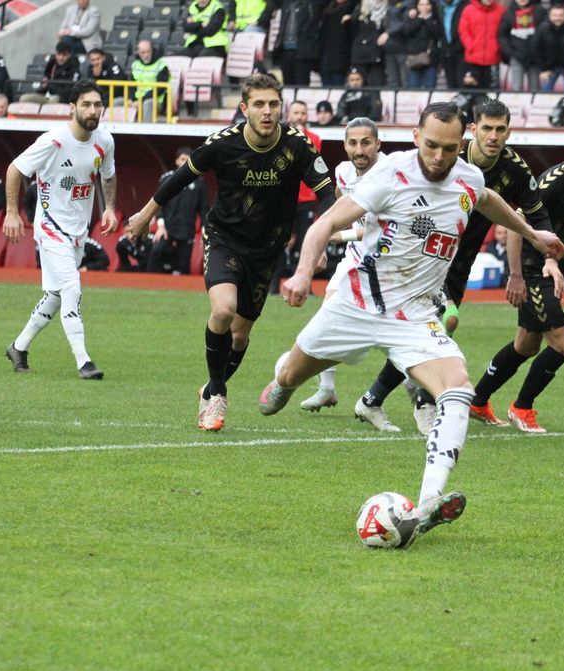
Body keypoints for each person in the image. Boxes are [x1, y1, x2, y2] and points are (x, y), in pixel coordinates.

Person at [258, 102, 564, 543]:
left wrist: (533, 234)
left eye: (449, 149)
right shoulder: (391, 174)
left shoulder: (468, 176)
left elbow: (487, 199)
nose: (439, 157)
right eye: (431, 146)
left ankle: (427, 503)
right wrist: (305, 272)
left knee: (458, 389)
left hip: (416, 315)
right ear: (416, 136)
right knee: (287, 380)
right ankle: (283, 381)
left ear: (461, 143)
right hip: (356, 304)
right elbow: (325, 222)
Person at [124, 74, 335, 432]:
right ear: (244, 108)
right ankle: (217, 395)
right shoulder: (223, 143)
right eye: (259, 104)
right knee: (223, 309)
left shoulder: (297, 145)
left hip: (266, 250)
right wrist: (146, 214)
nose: (267, 111)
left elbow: (327, 194)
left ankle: (210, 387)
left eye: (273, 104)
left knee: (239, 337)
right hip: (225, 239)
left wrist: (321, 242)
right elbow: (181, 177)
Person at [358, 99, 554, 434]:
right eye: (487, 128)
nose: (493, 136)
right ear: (473, 130)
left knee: (428, 329)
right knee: (440, 324)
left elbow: (537, 215)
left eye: (500, 129)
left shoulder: (515, 171)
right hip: (423, 257)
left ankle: (373, 399)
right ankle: (424, 403)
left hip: (459, 263)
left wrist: (548, 257)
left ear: (509, 132)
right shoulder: (448, 157)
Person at [469, 119, 564, 432]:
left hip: (553, 272)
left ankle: (477, 400)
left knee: (525, 346)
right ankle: (522, 407)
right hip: (532, 270)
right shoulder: (556, 181)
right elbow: (516, 225)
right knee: (563, 344)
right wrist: (515, 275)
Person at [3, 80, 117, 379]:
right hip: (50, 226)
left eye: (97, 105)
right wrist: (12, 213)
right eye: (86, 105)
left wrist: (109, 207)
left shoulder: (105, 141)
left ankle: (18, 346)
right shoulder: (53, 141)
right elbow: (15, 169)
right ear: (72, 108)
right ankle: (84, 361)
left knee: (56, 293)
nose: (93, 111)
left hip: (78, 231)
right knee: (72, 287)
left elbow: (108, 174)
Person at [291, 117, 389, 420]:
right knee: (329, 314)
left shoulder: (390, 175)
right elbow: (338, 208)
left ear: (378, 144)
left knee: (393, 333)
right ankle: (327, 388)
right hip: (355, 258)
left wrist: (340, 235)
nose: (359, 150)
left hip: (388, 260)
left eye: (366, 143)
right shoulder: (344, 172)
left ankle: (418, 397)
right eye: (353, 143)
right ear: (345, 145)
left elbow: (383, 230)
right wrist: (324, 239)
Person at [283, 102, 323, 285]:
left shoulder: (315, 138)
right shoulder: (280, 136)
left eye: (303, 113)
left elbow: (308, 162)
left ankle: (305, 282)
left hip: (306, 199)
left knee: (306, 243)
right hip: (284, 198)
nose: (299, 116)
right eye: (296, 112)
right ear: (289, 115)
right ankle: (273, 284)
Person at [153, 147, 208, 275]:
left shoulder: (199, 183)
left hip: (186, 230)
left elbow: (203, 209)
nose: (184, 163)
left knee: (183, 267)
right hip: (167, 229)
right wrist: (161, 226)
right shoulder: (166, 178)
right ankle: (148, 281)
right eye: (182, 159)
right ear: (177, 161)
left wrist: (205, 230)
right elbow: (158, 204)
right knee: (156, 251)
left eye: (188, 160)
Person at [499, 0, 546, 91]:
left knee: (535, 89)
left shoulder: (540, 11)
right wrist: (510, 52)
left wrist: (540, 51)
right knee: (516, 89)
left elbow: (545, 32)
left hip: (535, 57)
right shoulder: (508, 13)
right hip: (516, 56)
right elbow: (502, 35)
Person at [398, 0, 444, 89]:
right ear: (417, 6)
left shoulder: (435, 18)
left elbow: (438, 34)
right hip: (414, 59)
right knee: (414, 88)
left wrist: (428, 19)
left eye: (427, 4)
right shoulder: (412, 17)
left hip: (430, 58)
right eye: (421, 5)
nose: (424, 7)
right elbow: (406, 31)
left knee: (430, 88)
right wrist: (420, 19)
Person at [535, 5, 564, 91]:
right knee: (544, 93)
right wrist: (543, 69)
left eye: (561, 15)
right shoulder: (542, 29)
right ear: (550, 16)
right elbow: (536, 49)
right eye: (555, 15)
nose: (557, 18)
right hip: (548, 68)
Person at [459, 0, 504, 88]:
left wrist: (497, 47)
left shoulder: (501, 11)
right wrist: (471, 46)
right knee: (473, 90)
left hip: (493, 59)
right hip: (473, 59)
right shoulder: (468, 10)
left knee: (492, 91)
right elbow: (463, 31)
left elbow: (504, 32)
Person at [130, 41, 171, 122]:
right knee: (118, 102)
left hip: (155, 100)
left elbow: (159, 89)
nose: (146, 55)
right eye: (143, 52)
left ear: (152, 50)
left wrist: (140, 101)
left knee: (147, 103)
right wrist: (130, 99)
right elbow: (131, 85)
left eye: (148, 52)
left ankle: (146, 129)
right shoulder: (135, 65)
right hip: (137, 99)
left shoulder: (161, 65)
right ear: (138, 53)